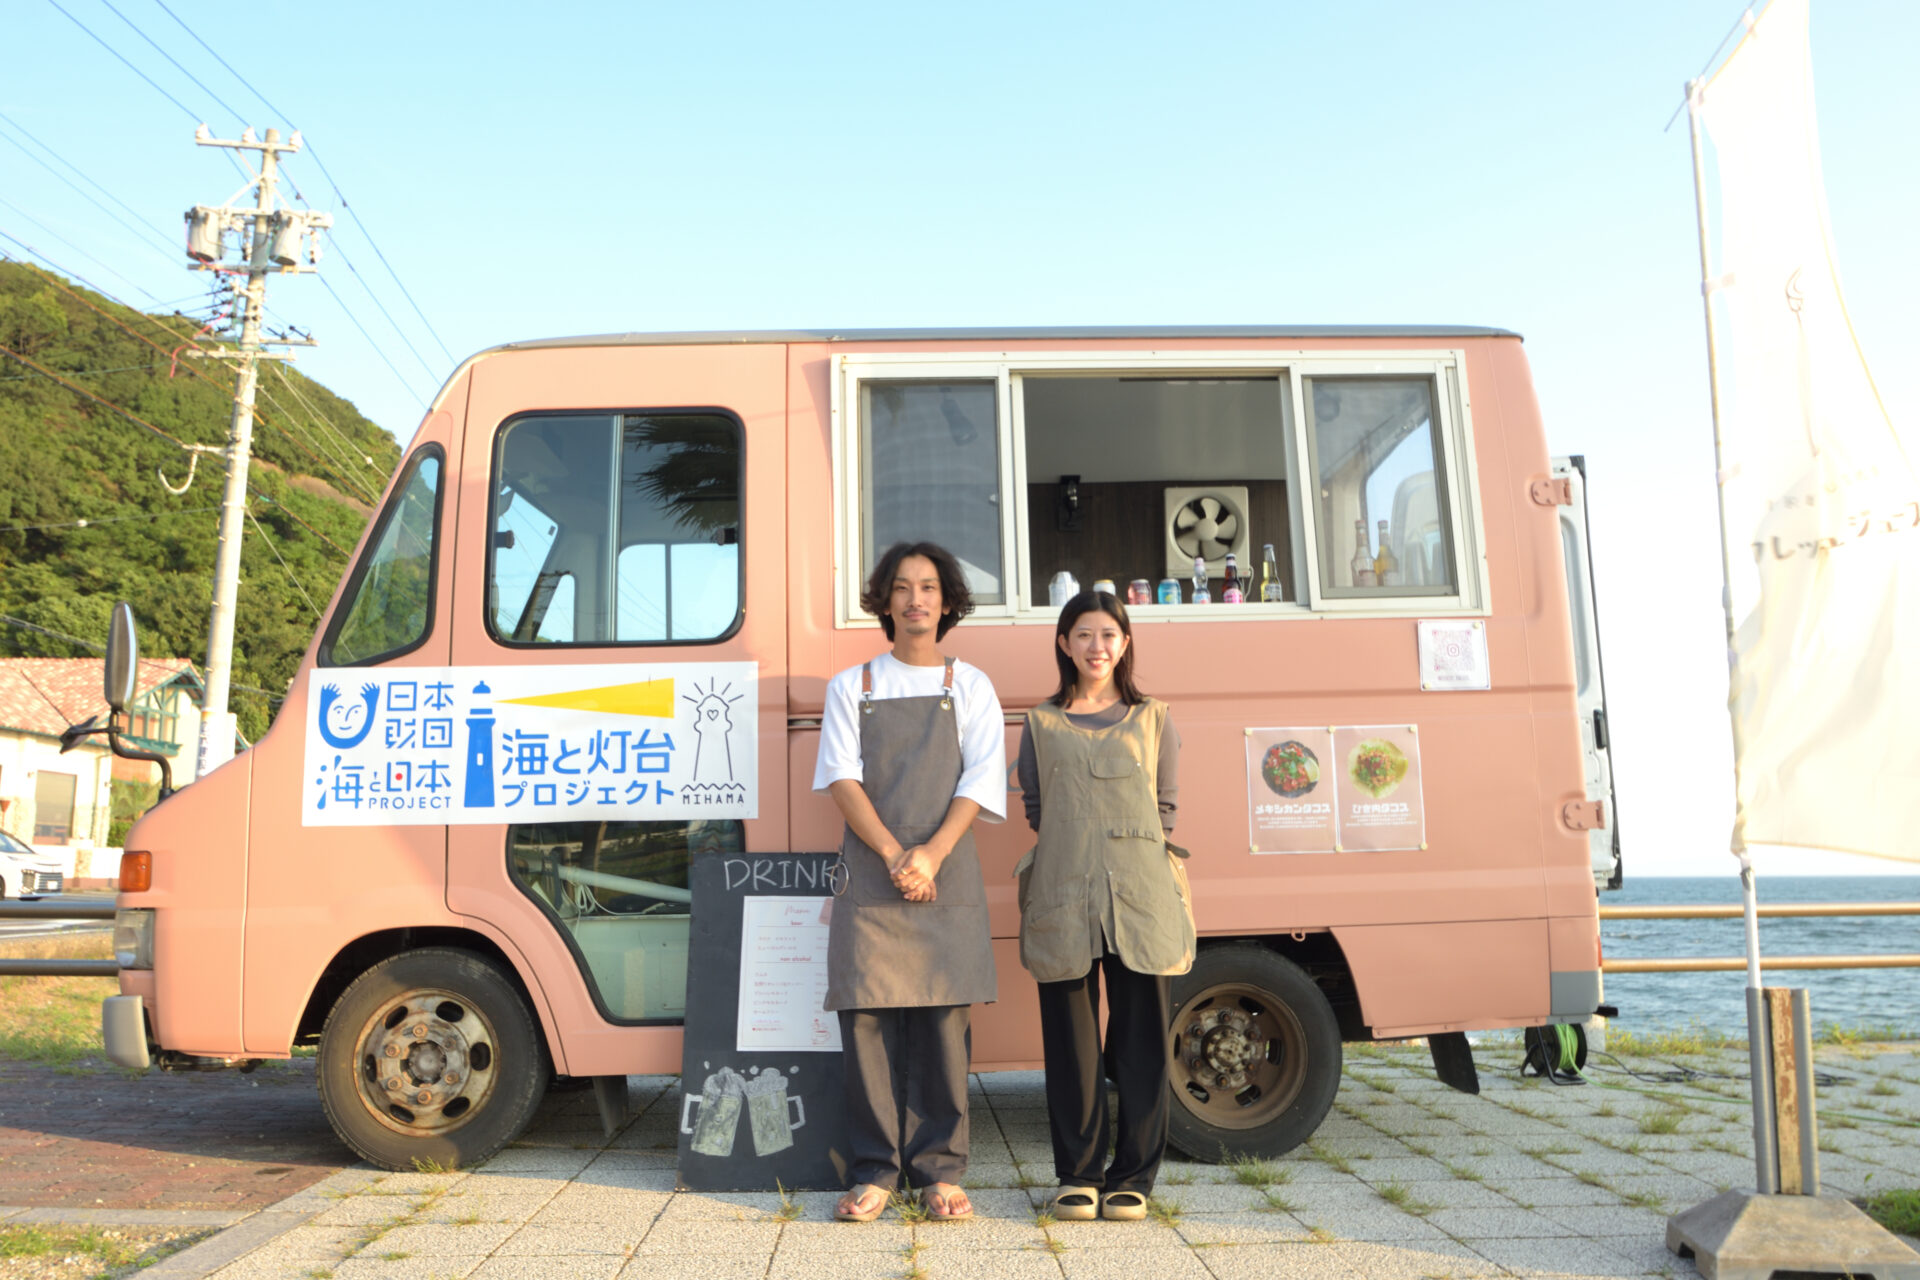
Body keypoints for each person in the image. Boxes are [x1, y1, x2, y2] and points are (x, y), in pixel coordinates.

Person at [813, 541, 1005, 1223]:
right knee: (865, 1019)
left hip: (946, 870)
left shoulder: (971, 685)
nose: (916, 599)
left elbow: (981, 778)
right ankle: (875, 1170)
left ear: (947, 601)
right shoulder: (852, 685)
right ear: (884, 601)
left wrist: (932, 853)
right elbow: (841, 777)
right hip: (873, 869)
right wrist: (898, 853)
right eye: (902, 587)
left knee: (942, 1021)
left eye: (928, 587)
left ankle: (940, 1171)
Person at [1015, 589, 1192, 1222]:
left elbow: (1165, 806)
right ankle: (1079, 1174)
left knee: (1142, 1036)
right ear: (1064, 643)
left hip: (1140, 893)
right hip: (1063, 889)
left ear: (1124, 644)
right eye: (1084, 635)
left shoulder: (1154, 718)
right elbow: (1036, 808)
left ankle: (1134, 1176)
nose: (1097, 647)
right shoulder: (1039, 722)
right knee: (1071, 1042)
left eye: (1109, 635)